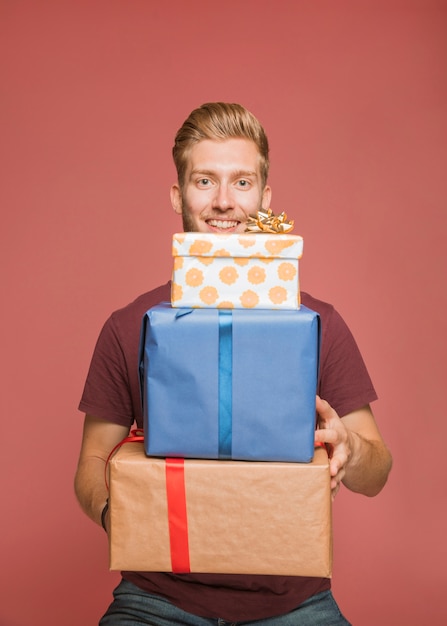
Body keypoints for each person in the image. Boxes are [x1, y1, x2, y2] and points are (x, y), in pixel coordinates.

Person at [75, 102, 392, 625]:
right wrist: (127, 517)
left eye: (242, 183)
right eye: (205, 180)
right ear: (179, 194)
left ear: (266, 197)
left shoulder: (317, 323)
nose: (224, 202)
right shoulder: (130, 324)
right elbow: (91, 464)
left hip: (294, 601)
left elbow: (377, 471)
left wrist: (351, 449)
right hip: (158, 599)